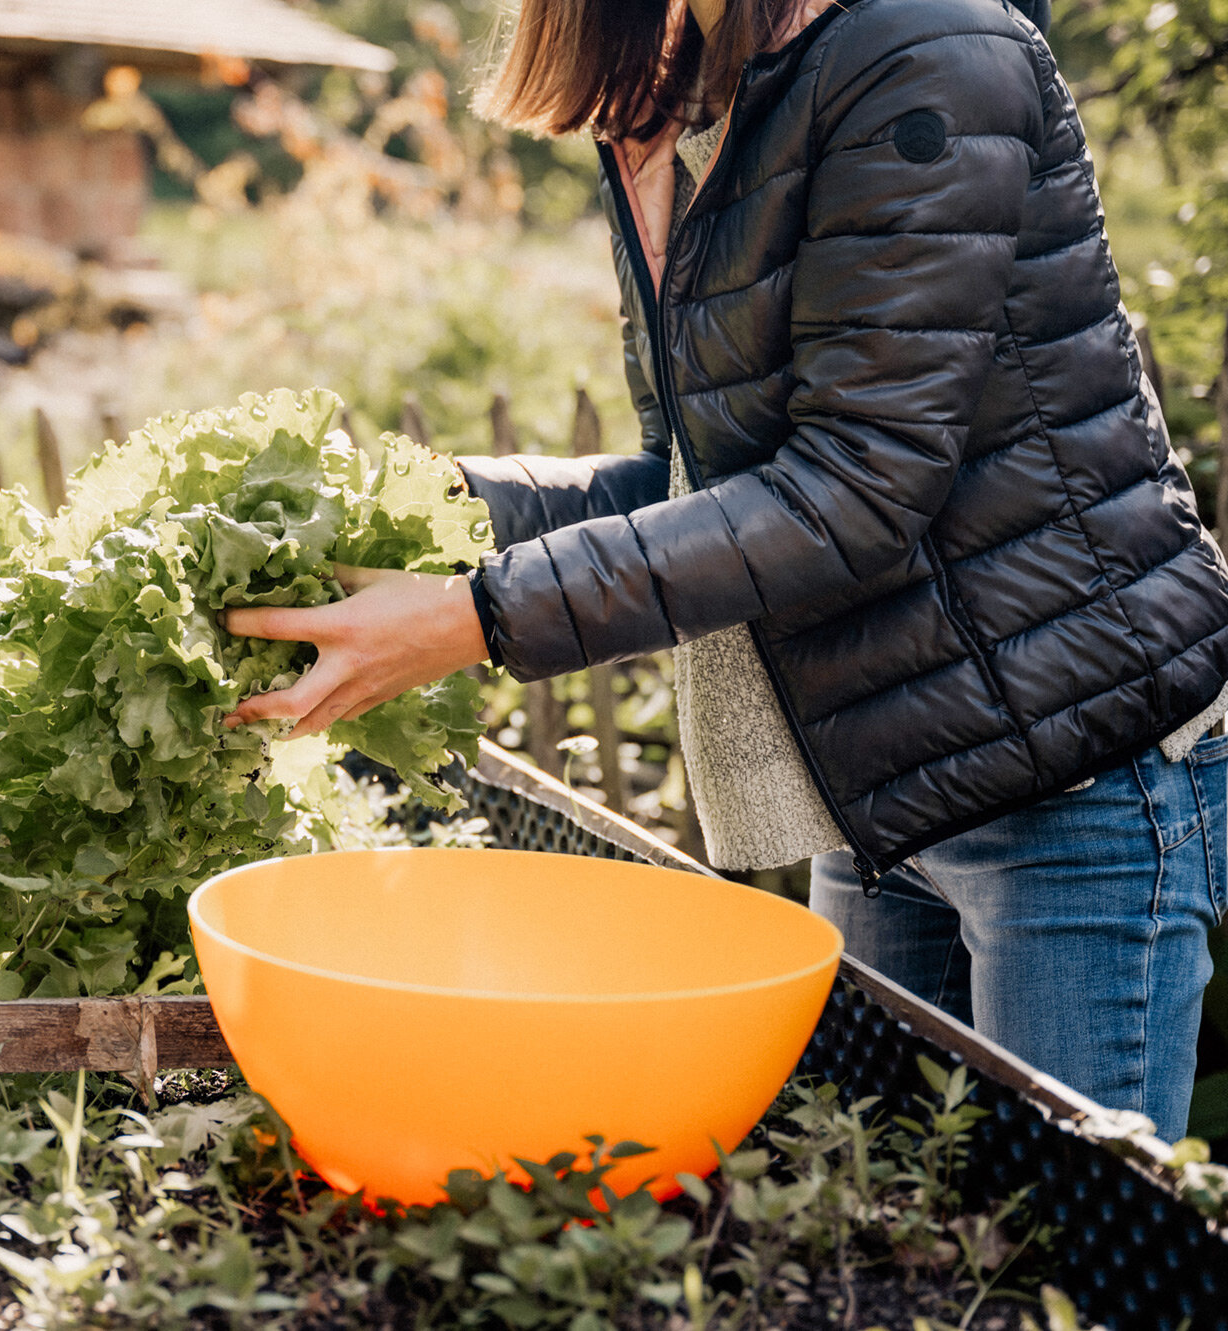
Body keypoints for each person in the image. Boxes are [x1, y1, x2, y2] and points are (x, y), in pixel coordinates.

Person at [220, 0, 1228, 1142]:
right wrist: (429, 508)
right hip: (879, 780)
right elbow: (692, 479)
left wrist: (475, 618)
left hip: (1072, 774)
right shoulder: (680, 92)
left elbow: (856, 492)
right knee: (884, 1234)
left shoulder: (925, 46)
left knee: (1073, 1267)